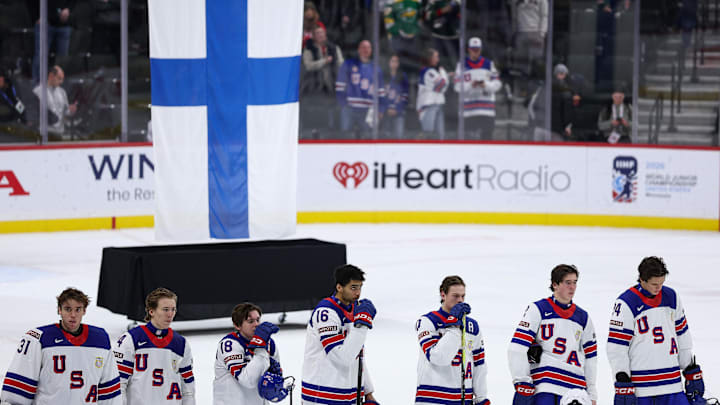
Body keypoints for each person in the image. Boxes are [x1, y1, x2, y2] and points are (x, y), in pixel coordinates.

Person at [607, 256, 706, 405]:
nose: (658, 288)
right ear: (642, 279)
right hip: (642, 387)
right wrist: (622, 378)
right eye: (654, 284)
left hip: (672, 384)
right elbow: (617, 346)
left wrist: (689, 367)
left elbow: (682, 334)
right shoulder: (626, 303)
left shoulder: (671, 297)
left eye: (661, 283)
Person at [0, 288, 121, 404]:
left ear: (84, 311)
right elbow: (18, 390)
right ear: (59, 310)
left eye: (78, 309)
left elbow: (109, 389)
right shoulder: (39, 339)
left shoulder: (100, 340)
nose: (73, 315)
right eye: (68, 309)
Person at [508, 264, 598, 405]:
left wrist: (592, 393)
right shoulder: (538, 309)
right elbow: (517, 347)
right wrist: (522, 382)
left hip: (575, 389)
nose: (572, 287)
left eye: (575, 282)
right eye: (568, 283)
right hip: (545, 385)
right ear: (555, 285)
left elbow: (591, 357)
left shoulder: (583, 318)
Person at [301, 264, 379, 405]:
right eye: (353, 287)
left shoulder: (354, 309)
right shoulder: (326, 313)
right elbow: (342, 358)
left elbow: (356, 355)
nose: (358, 293)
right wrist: (362, 326)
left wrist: (368, 392)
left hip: (346, 396)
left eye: (360, 287)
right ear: (339, 287)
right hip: (322, 397)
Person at [415, 276, 490, 405]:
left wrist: (481, 398)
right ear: (443, 294)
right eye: (455, 296)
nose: (460, 300)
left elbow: (479, 365)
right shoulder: (428, 322)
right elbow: (438, 357)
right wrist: (454, 326)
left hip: (464, 400)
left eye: (463, 296)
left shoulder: (472, 327)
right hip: (433, 399)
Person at [113, 288, 196, 405]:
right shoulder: (131, 339)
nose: (170, 314)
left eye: (173, 309)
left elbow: (188, 387)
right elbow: (119, 383)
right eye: (165, 309)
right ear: (151, 311)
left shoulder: (181, 343)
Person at [213, 302, 288, 405]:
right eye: (250, 321)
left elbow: (272, 380)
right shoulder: (229, 345)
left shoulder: (269, 343)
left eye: (258, 320)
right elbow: (247, 380)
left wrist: (275, 383)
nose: (256, 324)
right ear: (237, 325)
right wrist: (260, 347)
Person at [454, 37, 501, 140]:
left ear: (481, 49)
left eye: (477, 50)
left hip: (486, 111)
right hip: (468, 112)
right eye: (473, 49)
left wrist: (486, 85)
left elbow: (497, 84)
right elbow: (457, 87)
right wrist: (471, 85)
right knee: (468, 144)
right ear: (469, 49)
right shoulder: (461, 65)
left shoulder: (489, 64)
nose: (475, 52)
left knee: (487, 142)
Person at [335, 40, 385, 138]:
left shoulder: (376, 69)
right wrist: (344, 104)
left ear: (371, 50)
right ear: (358, 50)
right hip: (349, 109)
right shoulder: (348, 64)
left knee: (367, 138)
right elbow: (340, 87)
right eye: (363, 47)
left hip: (368, 110)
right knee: (346, 137)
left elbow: (381, 92)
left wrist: (381, 109)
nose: (365, 50)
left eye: (368, 47)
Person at [301, 25, 344, 137]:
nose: (320, 35)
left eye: (322, 33)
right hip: (314, 86)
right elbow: (308, 65)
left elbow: (341, 64)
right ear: (314, 36)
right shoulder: (309, 49)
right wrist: (324, 61)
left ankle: (331, 131)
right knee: (316, 114)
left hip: (331, 86)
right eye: (318, 33)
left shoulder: (334, 48)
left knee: (332, 110)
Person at [510, 0, 548, 95]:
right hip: (521, 33)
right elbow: (514, 15)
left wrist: (542, 34)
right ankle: (521, 91)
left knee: (536, 64)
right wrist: (514, 32)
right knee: (521, 65)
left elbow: (544, 16)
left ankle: (535, 92)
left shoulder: (542, 1)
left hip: (536, 33)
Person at [32, 65, 77, 136]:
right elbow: (34, 115)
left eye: (62, 79)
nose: (61, 82)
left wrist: (71, 110)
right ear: (51, 76)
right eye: (59, 78)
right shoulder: (38, 92)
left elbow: (65, 112)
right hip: (45, 134)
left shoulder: (62, 92)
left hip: (59, 133)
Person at [417, 48, 450, 139]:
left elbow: (442, 86)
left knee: (439, 137)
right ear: (429, 58)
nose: (438, 59)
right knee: (429, 135)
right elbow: (442, 85)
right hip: (429, 106)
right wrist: (443, 73)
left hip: (436, 105)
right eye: (436, 56)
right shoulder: (428, 72)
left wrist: (445, 77)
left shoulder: (430, 71)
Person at [422, 0, 460, 71]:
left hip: (453, 37)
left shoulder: (455, 2)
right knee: (439, 62)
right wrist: (442, 11)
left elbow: (461, 15)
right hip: (437, 36)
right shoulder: (433, 2)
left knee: (456, 63)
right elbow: (428, 16)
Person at [382, 54, 409, 139]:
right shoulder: (383, 75)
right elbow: (381, 95)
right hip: (386, 113)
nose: (394, 63)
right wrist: (387, 108)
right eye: (392, 61)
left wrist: (397, 109)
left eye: (396, 61)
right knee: (386, 137)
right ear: (389, 62)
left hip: (399, 113)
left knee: (399, 137)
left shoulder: (403, 76)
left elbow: (405, 95)